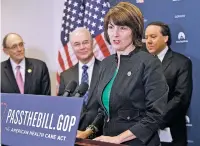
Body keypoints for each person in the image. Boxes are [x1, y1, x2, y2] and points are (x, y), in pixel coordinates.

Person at [76, 2, 168, 146]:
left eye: (123, 28)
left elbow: (155, 115)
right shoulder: (106, 64)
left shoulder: (149, 63)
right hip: (107, 141)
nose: (115, 34)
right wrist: (88, 132)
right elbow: (104, 110)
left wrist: (118, 139)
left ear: (135, 30)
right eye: (111, 27)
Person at [145, 21, 193, 146]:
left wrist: (154, 121)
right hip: (142, 134)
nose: (148, 41)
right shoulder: (141, 62)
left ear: (166, 38)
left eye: (153, 37)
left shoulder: (181, 63)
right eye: (146, 37)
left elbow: (181, 98)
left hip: (171, 133)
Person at [58, 27, 101, 134]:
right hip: (74, 135)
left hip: (101, 134)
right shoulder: (65, 75)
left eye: (85, 42)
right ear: (72, 47)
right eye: (77, 44)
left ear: (92, 43)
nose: (82, 47)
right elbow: (62, 108)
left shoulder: (107, 69)